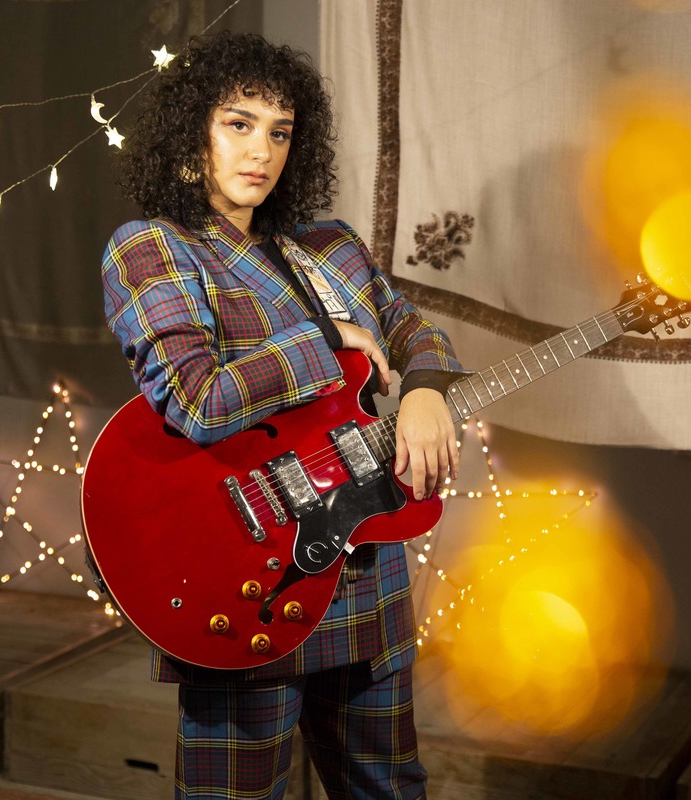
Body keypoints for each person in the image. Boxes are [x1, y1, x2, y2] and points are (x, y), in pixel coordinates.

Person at [101, 31, 465, 800]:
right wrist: (328, 341)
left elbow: (411, 330)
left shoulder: (331, 246)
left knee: (392, 789)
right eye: (238, 124)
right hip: (247, 576)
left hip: (367, 574)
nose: (260, 150)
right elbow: (197, 399)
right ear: (191, 132)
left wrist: (427, 389)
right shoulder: (153, 249)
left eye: (279, 131)